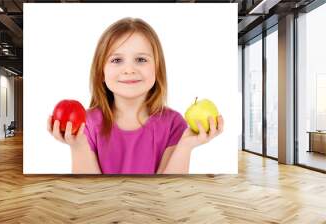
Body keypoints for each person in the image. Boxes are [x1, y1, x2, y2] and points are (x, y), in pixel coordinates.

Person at [47, 17, 224, 174]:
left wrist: (186, 146)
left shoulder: (173, 123)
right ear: (101, 72)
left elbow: (167, 193)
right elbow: (88, 194)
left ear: (157, 69)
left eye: (141, 59)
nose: (129, 69)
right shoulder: (87, 123)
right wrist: (78, 146)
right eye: (117, 60)